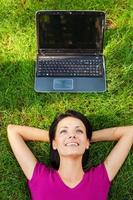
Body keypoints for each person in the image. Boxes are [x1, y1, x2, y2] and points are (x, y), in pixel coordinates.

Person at [7, 110, 133, 200]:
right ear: (54, 144)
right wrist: (58, 139)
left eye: (78, 131)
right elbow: (13, 131)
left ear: (87, 143)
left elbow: (129, 132)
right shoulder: (40, 178)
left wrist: (82, 139)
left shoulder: (99, 179)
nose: (72, 135)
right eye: (64, 131)